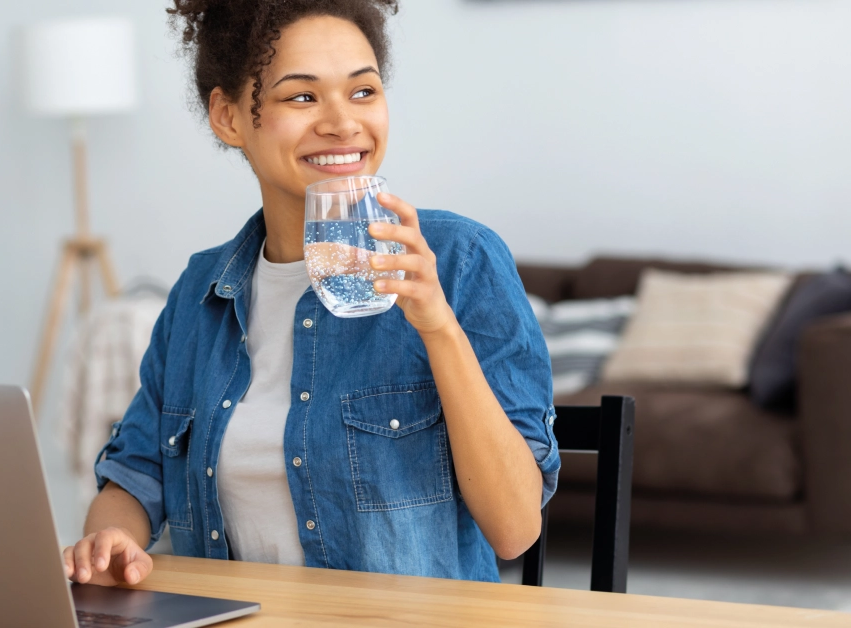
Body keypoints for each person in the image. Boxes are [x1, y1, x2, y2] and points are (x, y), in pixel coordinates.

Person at [63, 0, 559, 586]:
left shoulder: (460, 260)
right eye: (302, 97)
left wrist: (437, 325)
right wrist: (111, 539)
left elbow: (515, 527)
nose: (343, 123)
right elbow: (135, 474)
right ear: (227, 116)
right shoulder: (201, 292)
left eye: (363, 92)